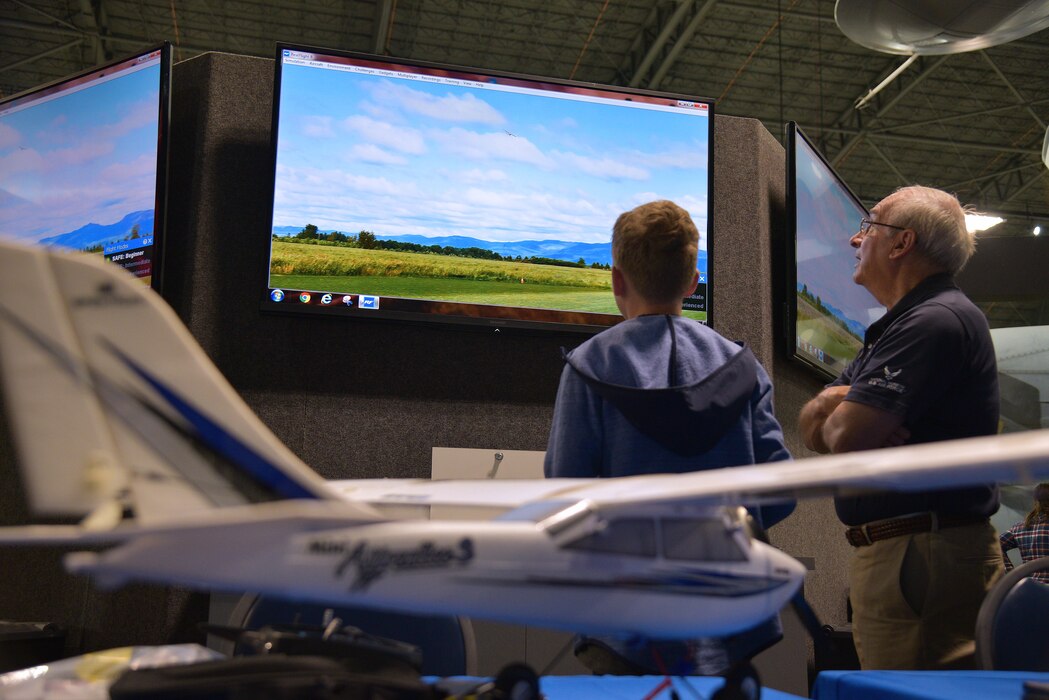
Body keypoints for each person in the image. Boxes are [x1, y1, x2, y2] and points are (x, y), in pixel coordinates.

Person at [544, 199, 794, 677]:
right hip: (729, 618)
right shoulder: (745, 369)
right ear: (692, 282)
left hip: (622, 623)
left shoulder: (588, 366)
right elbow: (780, 492)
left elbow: (564, 493)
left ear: (617, 280)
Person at [799, 185, 1002, 671]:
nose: (855, 239)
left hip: (921, 558)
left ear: (901, 243)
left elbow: (844, 437)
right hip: (911, 553)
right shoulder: (901, 325)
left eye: (868, 226)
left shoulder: (933, 322)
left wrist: (844, 413)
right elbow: (813, 428)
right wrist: (835, 400)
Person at [1000, 483, 1049, 582]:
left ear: (1036, 501)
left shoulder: (1019, 528)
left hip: (1031, 590)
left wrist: (1012, 575)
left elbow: (997, 545)